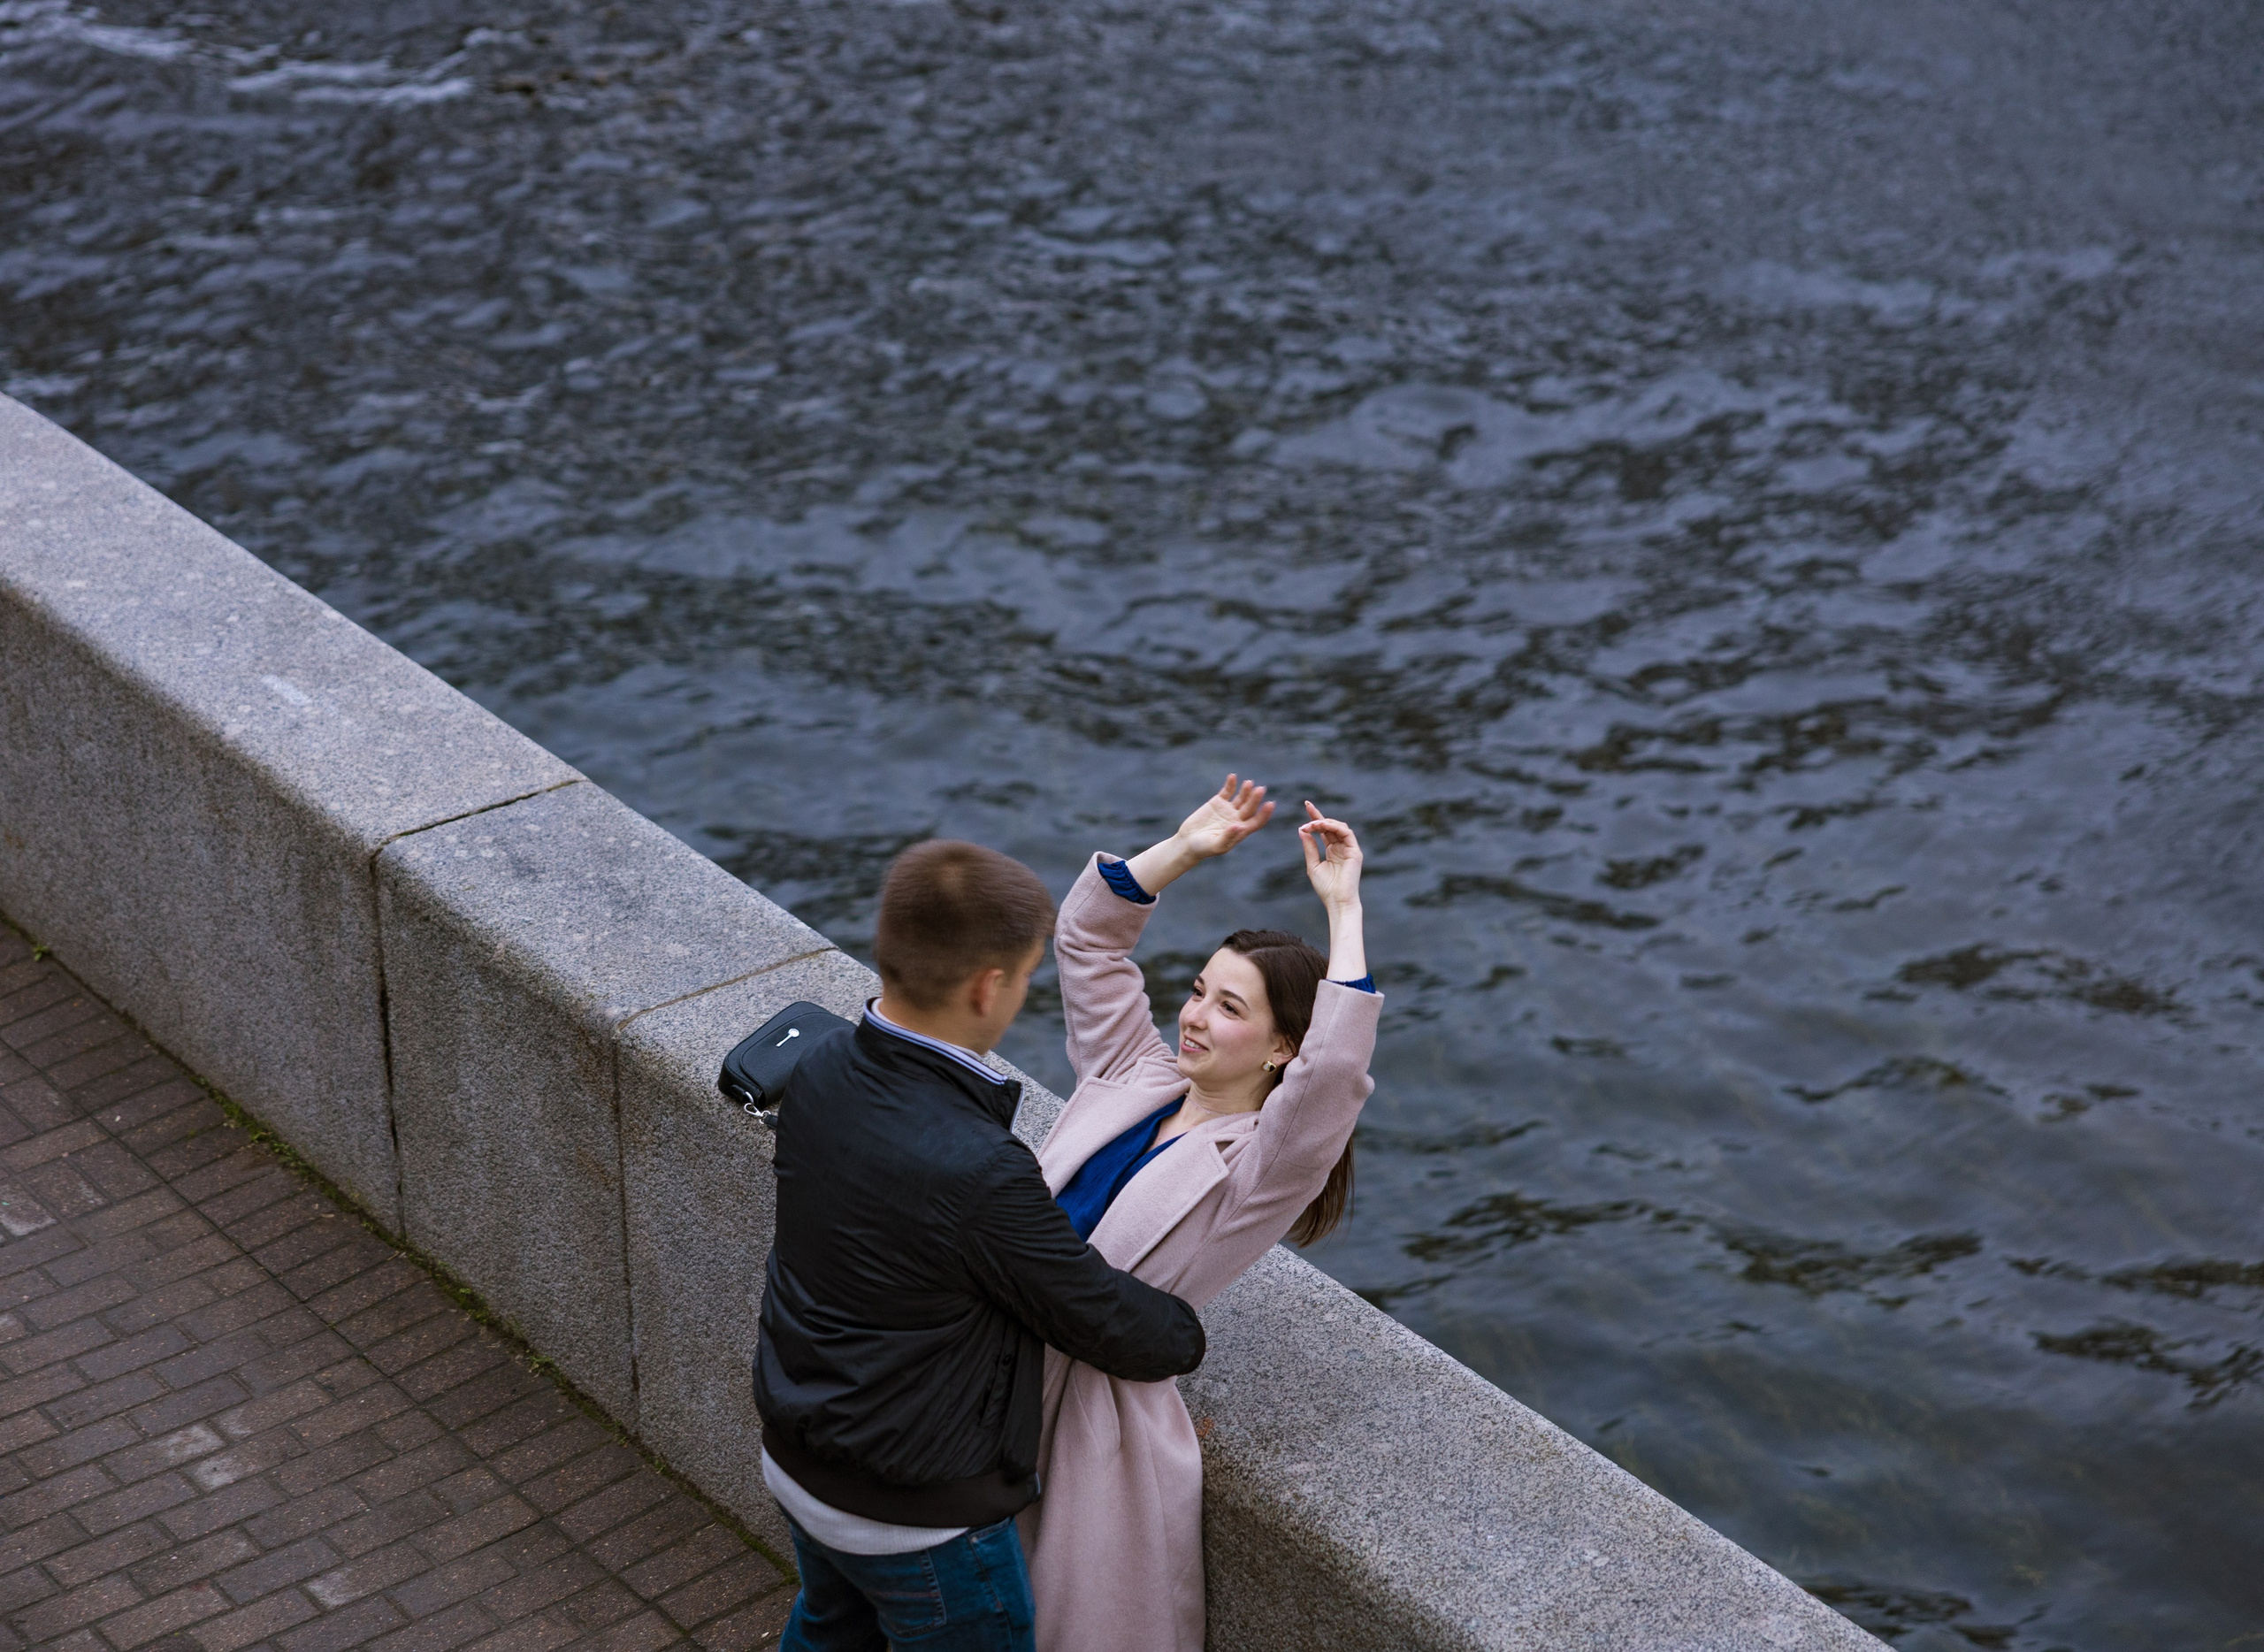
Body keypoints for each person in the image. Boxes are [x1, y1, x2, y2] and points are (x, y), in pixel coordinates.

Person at [754, 838, 1208, 1652]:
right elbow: (1091, 1309)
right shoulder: (978, 1169)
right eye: (1028, 976)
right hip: (912, 1515)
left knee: (828, 1630)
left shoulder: (818, 1066)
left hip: (798, 1453)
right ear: (987, 985)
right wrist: (1187, 1334)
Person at [1017, 776, 1380, 1652]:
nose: (1195, 1017)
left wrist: (1344, 906)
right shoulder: (1132, 1070)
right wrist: (1183, 848)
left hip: (1082, 1416)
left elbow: (1332, 1077)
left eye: (1229, 1006)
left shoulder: (1261, 1164)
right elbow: (1087, 941)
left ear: (1282, 1047)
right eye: (1196, 991)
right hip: (987, 1364)